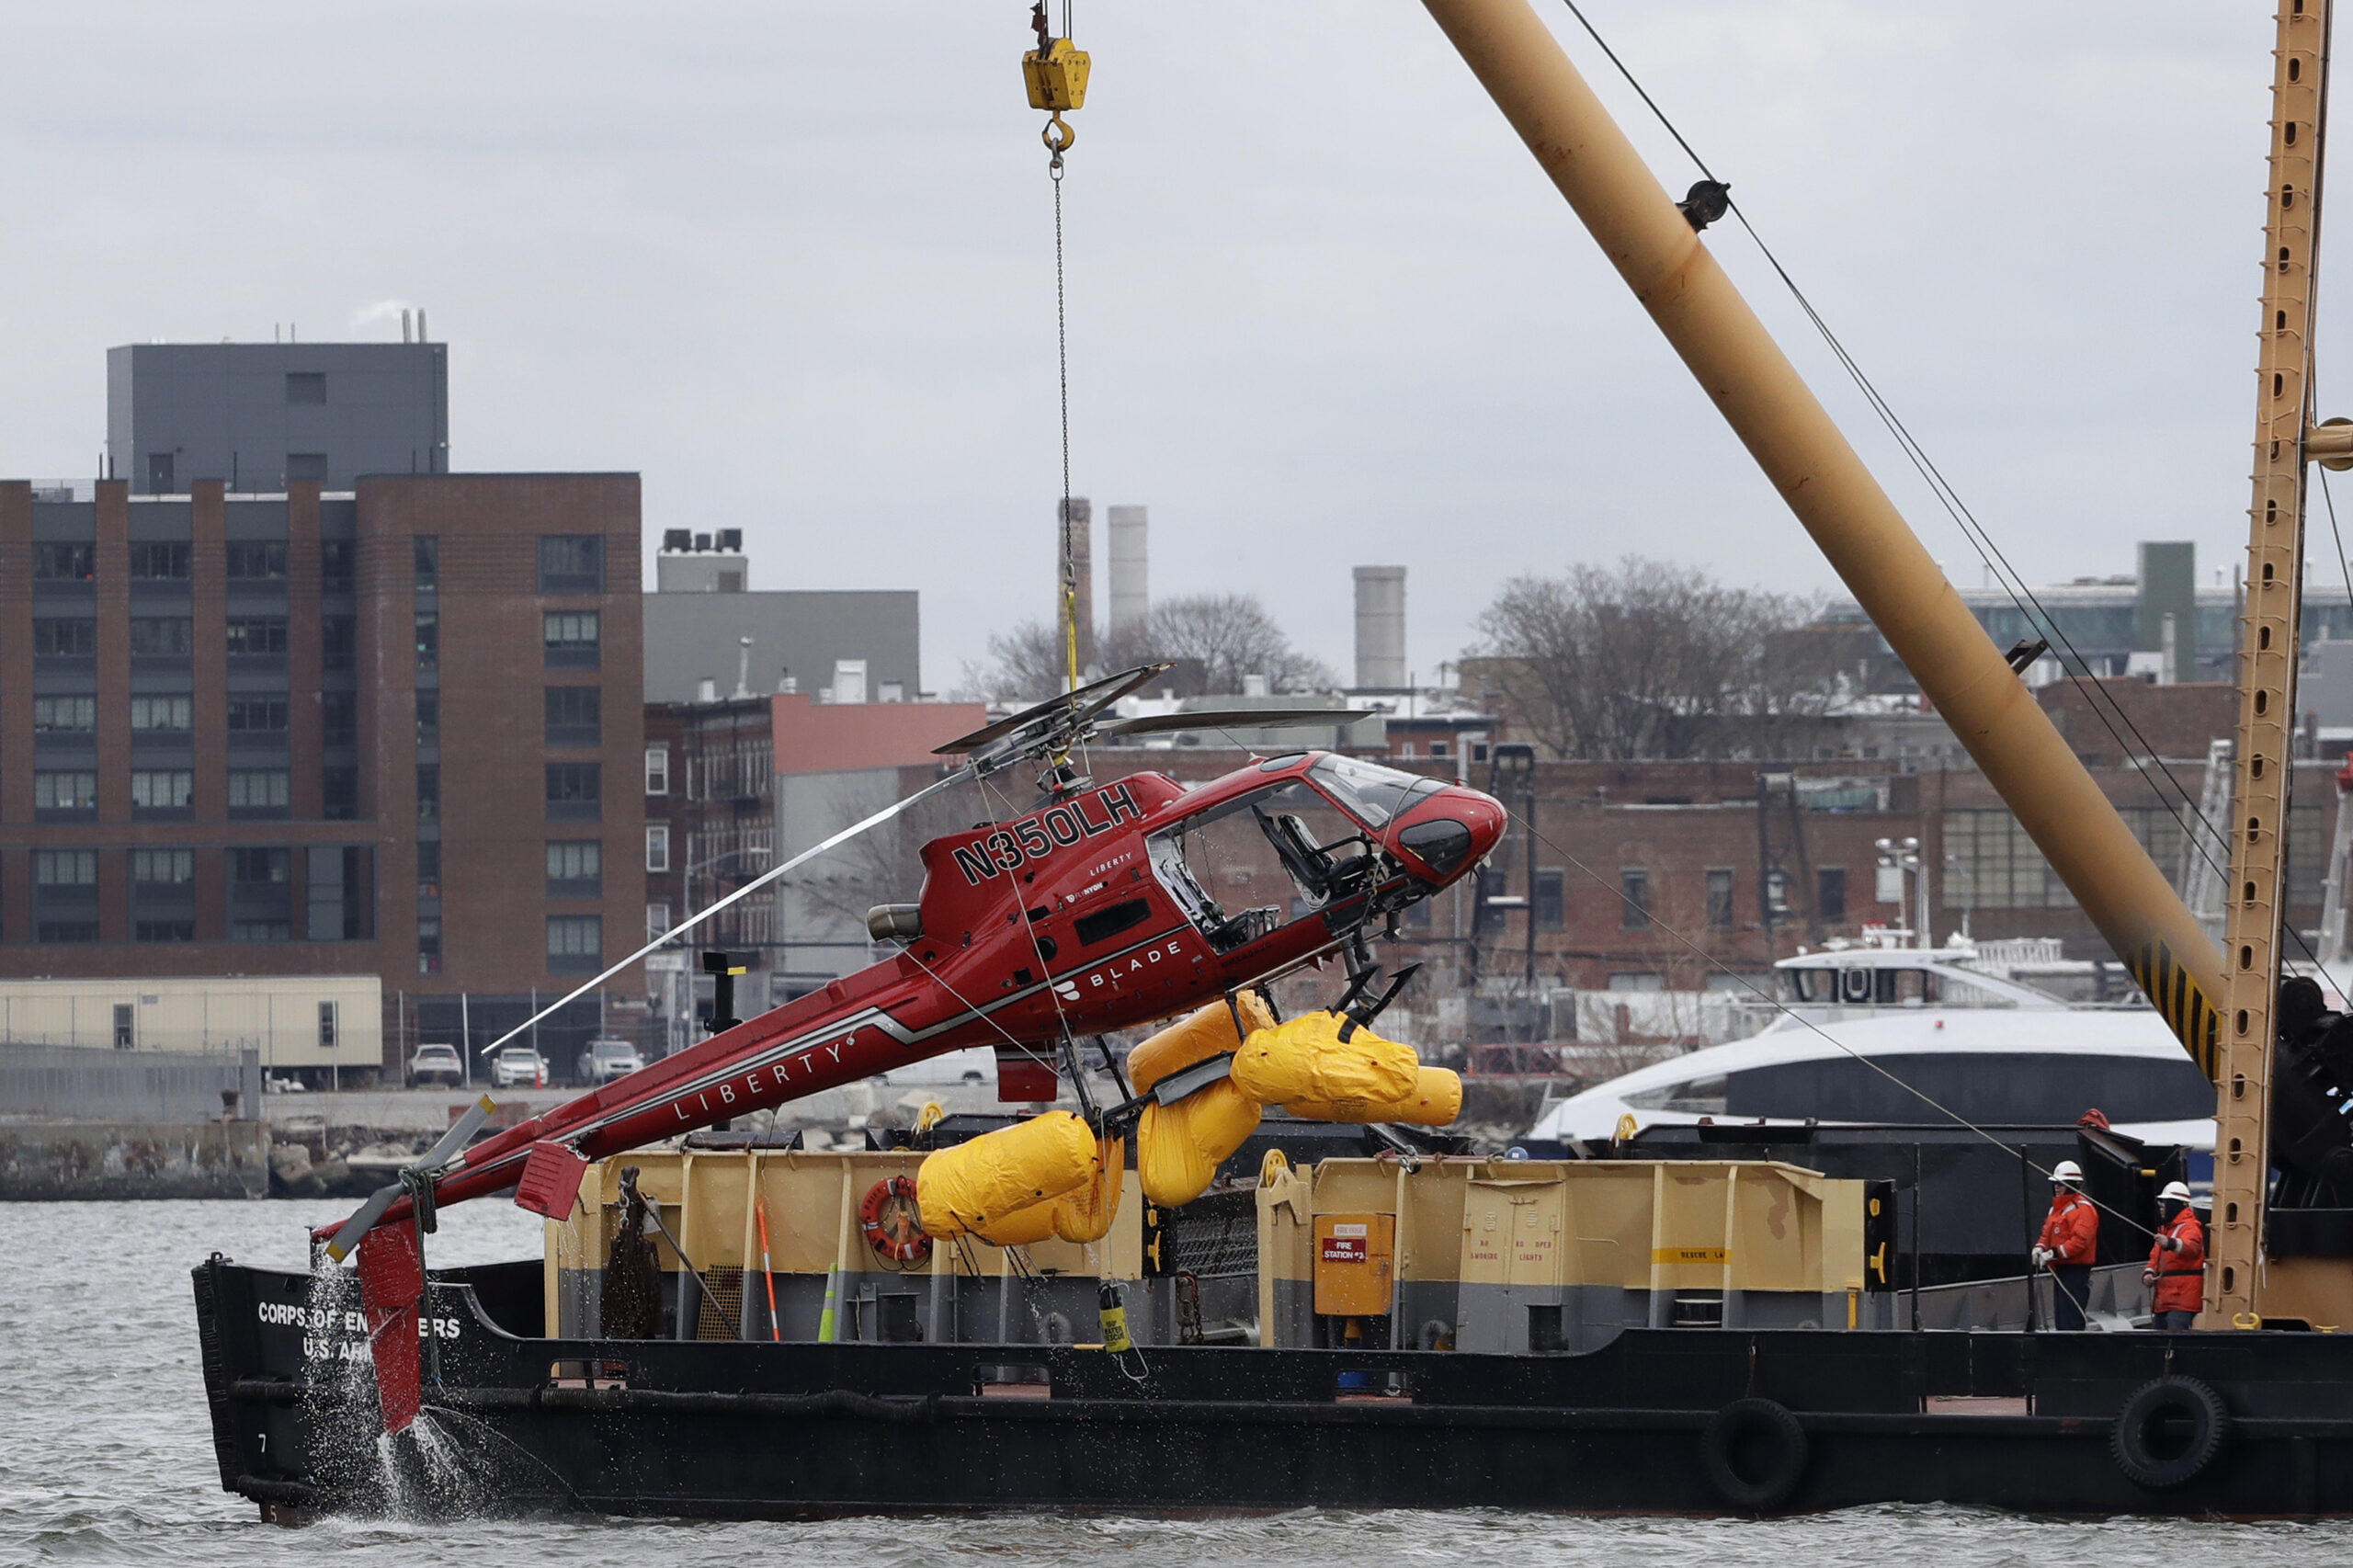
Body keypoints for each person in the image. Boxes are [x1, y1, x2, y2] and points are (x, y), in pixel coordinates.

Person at [2032, 1160, 2097, 1330]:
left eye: (2061, 1184)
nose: (2057, 1187)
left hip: (2076, 1272)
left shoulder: (2083, 1210)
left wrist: (2053, 1253)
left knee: (2072, 1318)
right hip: (2060, 1270)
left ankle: (2073, 1350)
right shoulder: (2056, 1210)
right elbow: (2047, 1234)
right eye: (2055, 1183)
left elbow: (2080, 1241)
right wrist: (2039, 1248)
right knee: (2062, 1318)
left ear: (2072, 1185)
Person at [2143, 1179, 2205, 1331]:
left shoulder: (2190, 1227)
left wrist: (2171, 1243)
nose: (2161, 1207)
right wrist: (2148, 1273)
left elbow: (2192, 1247)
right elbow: (2154, 1257)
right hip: (2165, 1299)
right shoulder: (2166, 1230)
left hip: (2182, 1299)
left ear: (2175, 1204)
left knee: (2175, 1340)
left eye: (2164, 1202)